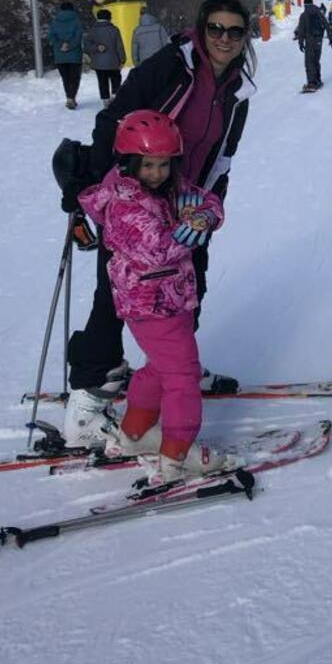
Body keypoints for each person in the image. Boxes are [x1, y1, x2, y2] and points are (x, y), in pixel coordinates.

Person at [61, 0, 257, 448]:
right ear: (201, 27)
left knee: (190, 285)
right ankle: (91, 393)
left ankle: (175, 363)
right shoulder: (172, 65)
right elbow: (113, 119)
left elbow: (224, 153)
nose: (224, 38)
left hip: (185, 201)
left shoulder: (238, 88)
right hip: (137, 200)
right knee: (117, 295)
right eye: (216, 28)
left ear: (245, 36)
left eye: (234, 31)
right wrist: (107, 191)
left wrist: (209, 206)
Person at [78, 110, 238, 480]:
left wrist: (204, 217)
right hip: (150, 303)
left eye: (164, 165)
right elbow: (157, 250)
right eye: (148, 165)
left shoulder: (168, 188)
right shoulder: (124, 204)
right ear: (130, 162)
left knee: (158, 367)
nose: (157, 173)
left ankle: (134, 433)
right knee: (183, 375)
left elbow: (207, 200)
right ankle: (177, 454)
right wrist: (189, 228)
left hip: (171, 297)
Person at [84, 9, 126, 104]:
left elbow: (86, 46)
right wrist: (122, 59)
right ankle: (115, 96)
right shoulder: (114, 29)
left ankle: (105, 100)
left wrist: (97, 48)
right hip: (113, 61)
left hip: (98, 63)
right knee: (116, 79)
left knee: (102, 81)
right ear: (109, 18)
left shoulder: (92, 30)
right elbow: (119, 46)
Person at [47, 2, 84, 109]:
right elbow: (78, 37)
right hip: (75, 55)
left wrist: (61, 45)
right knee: (74, 77)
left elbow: (51, 37)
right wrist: (70, 46)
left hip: (60, 56)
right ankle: (71, 98)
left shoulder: (55, 22)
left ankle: (69, 97)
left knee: (66, 78)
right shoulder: (76, 21)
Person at [295, 0, 329, 91]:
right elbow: (326, 24)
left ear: (305, 5)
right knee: (316, 61)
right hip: (319, 41)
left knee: (309, 62)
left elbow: (301, 31)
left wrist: (301, 43)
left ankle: (311, 82)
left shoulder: (303, 15)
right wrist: (331, 37)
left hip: (310, 42)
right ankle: (317, 79)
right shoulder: (319, 12)